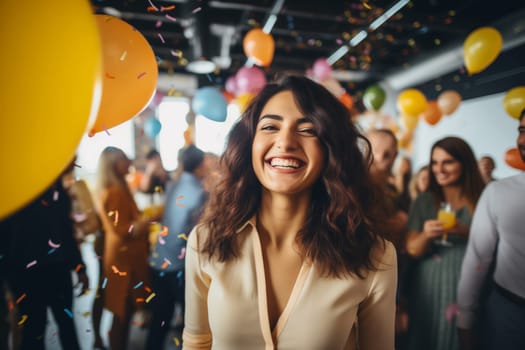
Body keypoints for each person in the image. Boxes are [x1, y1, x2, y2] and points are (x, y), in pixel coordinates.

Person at [182, 75, 397, 349]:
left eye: (308, 130)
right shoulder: (206, 240)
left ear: (331, 150)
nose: (285, 142)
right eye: (270, 126)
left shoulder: (375, 256)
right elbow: (196, 343)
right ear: (250, 143)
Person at [404, 136, 485, 350]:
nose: (439, 169)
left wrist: (465, 230)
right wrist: (426, 235)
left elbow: (494, 246)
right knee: (426, 336)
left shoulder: (481, 198)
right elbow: (412, 250)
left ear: (465, 164)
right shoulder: (424, 200)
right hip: (428, 287)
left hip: (470, 284)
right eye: (435, 162)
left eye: (448, 162)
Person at [456, 109, 525, 350]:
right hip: (508, 311)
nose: (523, 140)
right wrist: (465, 318)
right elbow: (478, 257)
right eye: (522, 131)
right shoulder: (498, 192)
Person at [0, 171, 89, 350]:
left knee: (66, 326)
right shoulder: (13, 192)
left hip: (56, 270)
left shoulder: (55, 188)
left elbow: (65, 232)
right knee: (34, 330)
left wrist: (80, 267)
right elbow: (5, 240)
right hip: (26, 274)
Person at [95, 146, 162, 350]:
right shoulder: (115, 192)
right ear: (113, 165)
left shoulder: (117, 187)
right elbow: (123, 229)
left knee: (123, 310)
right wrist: (150, 219)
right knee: (122, 312)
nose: (130, 161)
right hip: (124, 259)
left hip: (121, 255)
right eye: (124, 159)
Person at [146, 145, 210, 350]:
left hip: (158, 258)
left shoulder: (173, 184)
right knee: (193, 322)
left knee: (160, 317)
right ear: (200, 166)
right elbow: (197, 234)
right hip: (179, 263)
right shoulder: (200, 193)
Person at [366, 128, 410, 347]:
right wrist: (397, 224)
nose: (382, 157)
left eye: (389, 152)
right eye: (376, 150)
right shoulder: (355, 186)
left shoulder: (390, 188)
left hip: (392, 274)